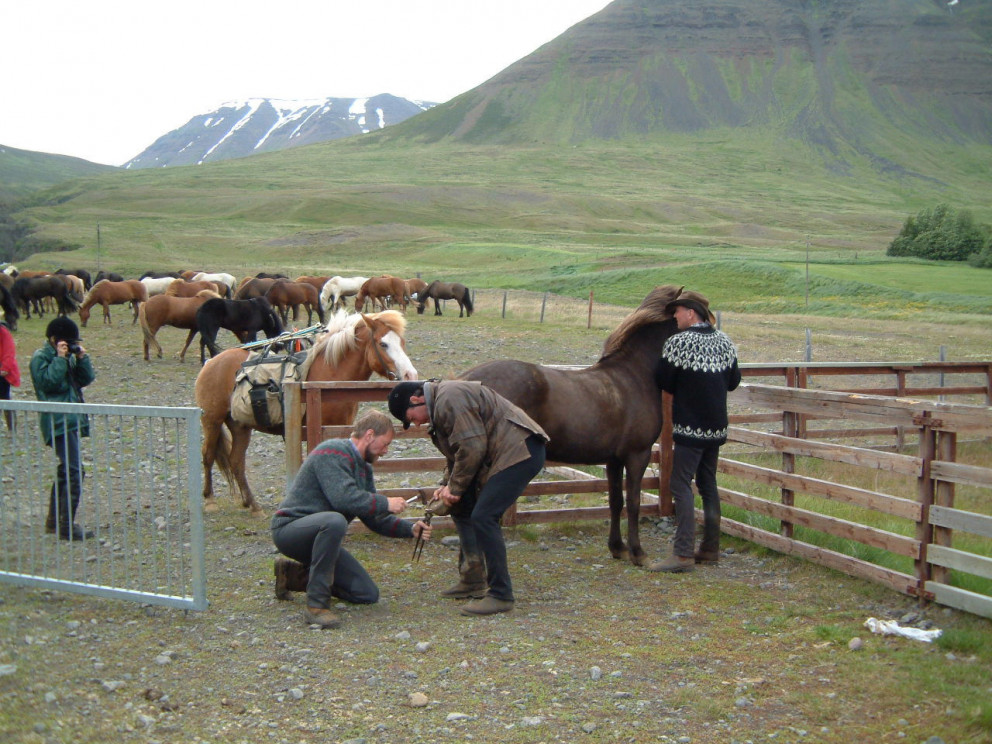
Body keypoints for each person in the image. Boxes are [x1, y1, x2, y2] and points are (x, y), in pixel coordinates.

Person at [388, 379, 549, 616]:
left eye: (412, 418)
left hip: (520, 451)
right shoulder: (441, 405)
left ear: (416, 400)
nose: (417, 423)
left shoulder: (449, 397)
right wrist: (446, 485)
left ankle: (500, 594)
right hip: (505, 452)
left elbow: (472, 447)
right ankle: (473, 578)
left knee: (485, 516)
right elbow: (457, 452)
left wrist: (454, 487)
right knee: (462, 505)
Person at [270, 409, 433, 628]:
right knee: (335, 520)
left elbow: (373, 518)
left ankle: (291, 575)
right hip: (290, 530)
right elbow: (344, 499)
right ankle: (316, 607)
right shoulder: (332, 451)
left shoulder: (363, 467)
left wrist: (410, 529)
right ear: (369, 435)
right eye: (384, 444)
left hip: (323, 535)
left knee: (366, 593)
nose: (385, 452)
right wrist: (386, 502)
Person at [647, 290, 740, 573]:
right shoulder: (725, 340)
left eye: (677, 311)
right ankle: (710, 548)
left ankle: (683, 553)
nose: (674, 316)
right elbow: (733, 381)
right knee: (708, 484)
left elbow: (664, 381)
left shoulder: (678, 343)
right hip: (716, 427)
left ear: (691, 312)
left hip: (690, 427)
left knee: (679, 484)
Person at [30, 316, 97, 541]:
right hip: (57, 421)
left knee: (66, 470)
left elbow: (85, 379)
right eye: (66, 342)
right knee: (75, 472)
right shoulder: (41, 358)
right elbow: (47, 383)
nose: (69, 346)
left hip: (70, 419)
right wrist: (60, 358)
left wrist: (82, 358)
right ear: (53, 340)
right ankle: (67, 526)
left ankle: (53, 522)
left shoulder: (67, 357)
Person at [0, 306, 21, 430]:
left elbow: (9, 351)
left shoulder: (3, 332)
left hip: (2, 371)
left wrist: (5, 368)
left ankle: (11, 426)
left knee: (4, 397)